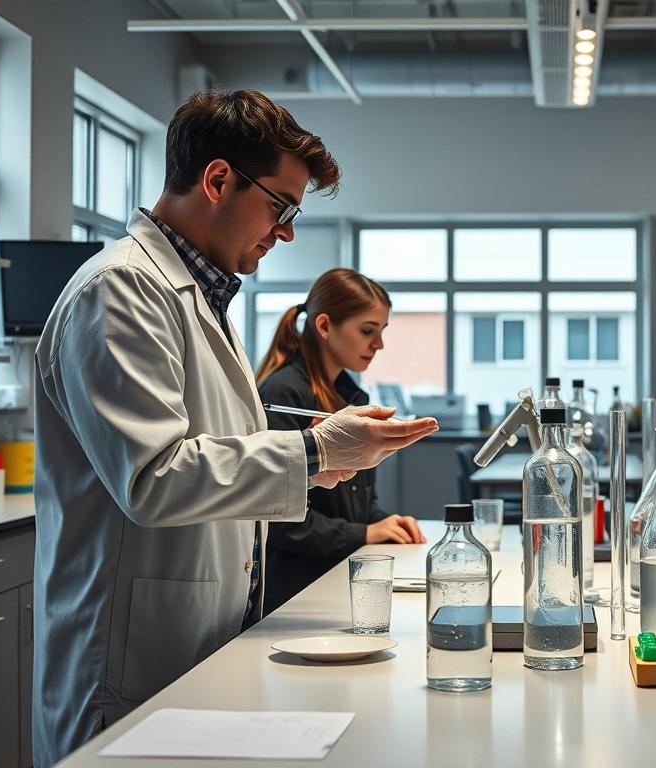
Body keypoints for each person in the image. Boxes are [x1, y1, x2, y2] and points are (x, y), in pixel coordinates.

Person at [31, 89, 438, 767]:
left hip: (200, 646)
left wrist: (319, 465)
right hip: (127, 662)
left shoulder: (200, 298)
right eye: (280, 206)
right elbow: (152, 477)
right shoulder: (119, 292)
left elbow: (215, 456)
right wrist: (309, 452)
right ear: (218, 179)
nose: (285, 232)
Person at [255, 268, 426, 617]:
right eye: (367, 331)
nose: (378, 344)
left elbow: (354, 503)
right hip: (295, 592)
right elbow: (278, 517)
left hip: (335, 576)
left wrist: (387, 523)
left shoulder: (349, 396)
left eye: (381, 331)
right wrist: (364, 533)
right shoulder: (283, 391)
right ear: (324, 327)